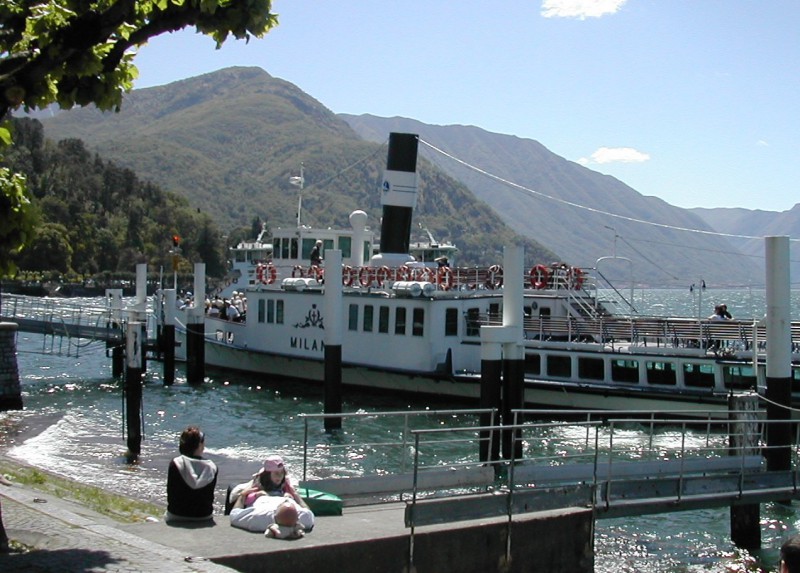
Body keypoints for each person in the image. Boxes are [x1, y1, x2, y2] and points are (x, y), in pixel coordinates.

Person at [166, 426, 218, 523]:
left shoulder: (175, 463)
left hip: (176, 515)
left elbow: (171, 492)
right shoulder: (212, 467)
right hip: (204, 516)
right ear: (200, 445)